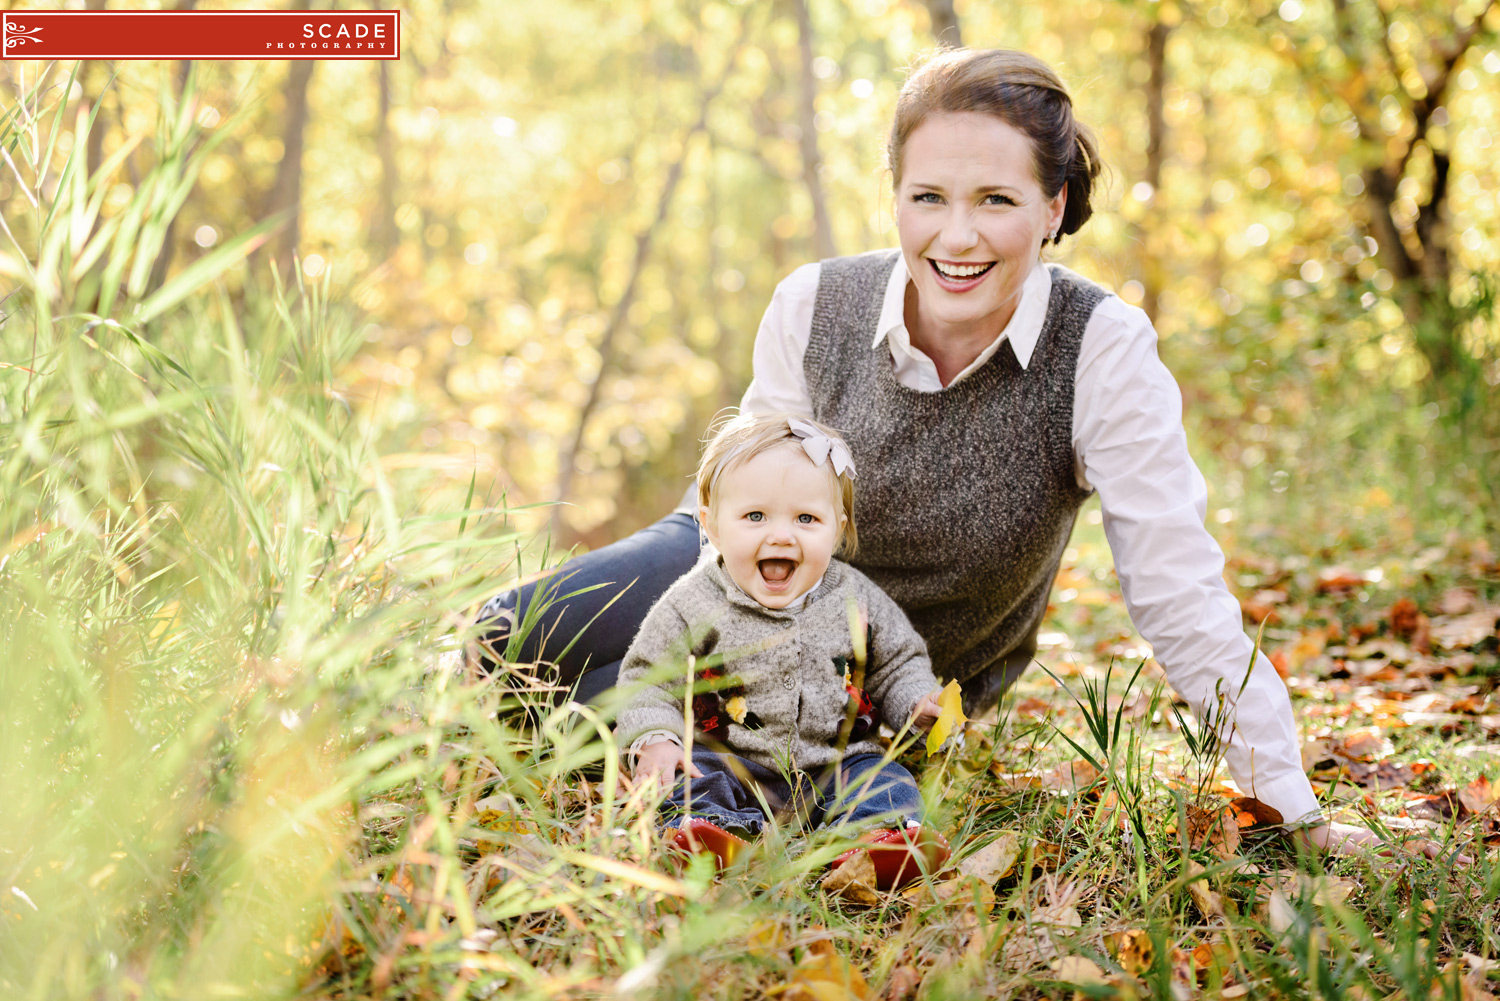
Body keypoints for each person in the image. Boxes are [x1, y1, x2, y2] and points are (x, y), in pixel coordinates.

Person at [475, 48, 1410, 858]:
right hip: (728, 577)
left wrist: (1286, 805)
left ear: (1054, 206)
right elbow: (732, 519)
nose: (955, 237)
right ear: (895, 198)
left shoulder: (1102, 348)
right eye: (928, 198)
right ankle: (411, 716)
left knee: (595, 717)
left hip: (892, 678)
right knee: (512, 639)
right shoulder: (814, 304)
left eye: (996, 200)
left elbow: (1178, 589)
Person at [615, 414, 951, 888]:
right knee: (696, 774)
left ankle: (876, 841)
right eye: (755, 516)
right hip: (730, 756)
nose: (781, 535)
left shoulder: (857, 597)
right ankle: (712, 836)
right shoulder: (692, 602)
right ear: (711, 525)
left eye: (806, 519)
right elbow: (648, 680)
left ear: (837, 528)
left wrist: (917, 700)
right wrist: (655, 738)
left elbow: (899, 663)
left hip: (837, 762)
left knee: (884, 779)